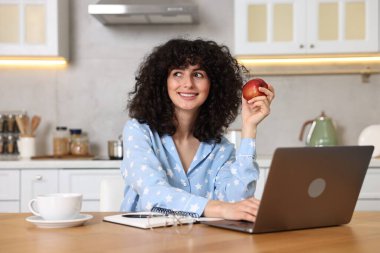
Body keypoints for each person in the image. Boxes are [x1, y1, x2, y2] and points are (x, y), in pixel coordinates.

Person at [120, 38, 275, 222]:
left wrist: (249, 127)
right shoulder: (139, 131)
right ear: (163, 81)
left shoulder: (220, 148)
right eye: (178, 73)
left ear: (213, 84)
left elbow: (237, 202)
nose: (188, 84)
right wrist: (220, 208)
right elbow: (154, 194)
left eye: (198, 75)